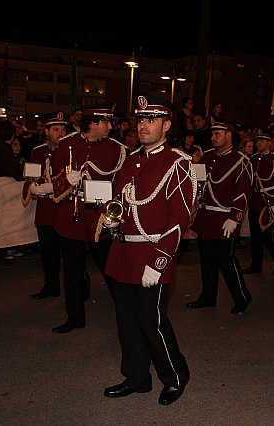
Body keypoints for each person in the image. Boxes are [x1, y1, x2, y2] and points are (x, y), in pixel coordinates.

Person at [101, 95, 195, 406]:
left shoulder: (178, 163)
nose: (143, 124)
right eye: (141, 119)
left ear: (166, 125)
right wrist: (110, 219)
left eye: (151, 119)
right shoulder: (130, 160)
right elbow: (121, 204)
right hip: (123, 253)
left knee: (151, 321)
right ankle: (137, 377)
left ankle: (175, 377)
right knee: (126, 321)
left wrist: (159, 261)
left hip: (152, 254)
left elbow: (179, 220)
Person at [50, 104, 126, 334]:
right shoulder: (67, 145)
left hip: (100, 218)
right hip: (70, 217)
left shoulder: (117, 149)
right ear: (92, 124)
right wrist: (67, 179)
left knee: (112, 269)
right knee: (72, 272)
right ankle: (75, 317)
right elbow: (54, 183)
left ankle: (127, 313)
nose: (110, 127)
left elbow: (123, 185)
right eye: (106, 123)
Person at [186, 119, 253, 314]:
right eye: (212, 134)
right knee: (207, 260)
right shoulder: (206, 157)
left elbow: (242, 192)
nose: (213, 137)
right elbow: (199, 185)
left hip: (225, 219)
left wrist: (235, 216)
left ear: (229, 135)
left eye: (217, 134)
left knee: (227, 260)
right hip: (207, 217)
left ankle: (241, 297)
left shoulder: (241, 161)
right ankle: (208, 296)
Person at [23, 112, 69, 299]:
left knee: (70, 253)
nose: (61, 133)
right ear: (47, 131)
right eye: (56, 129)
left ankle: (78, 287)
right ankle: (51, 286)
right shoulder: (38, 151)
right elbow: (31, 176)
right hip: (45, 209)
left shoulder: (71, 150)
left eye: (64, 129)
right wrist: (33, 186)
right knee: (48, 252)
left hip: (64, 208)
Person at [243, 133, 274, 275]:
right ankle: (256, 265)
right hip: (254, 201)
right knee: (255, 236)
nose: (259, 143)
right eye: (257, 141)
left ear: (269, 143)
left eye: (262, 141)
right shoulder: (253, 159)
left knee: (267, 236)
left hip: (267, 202)